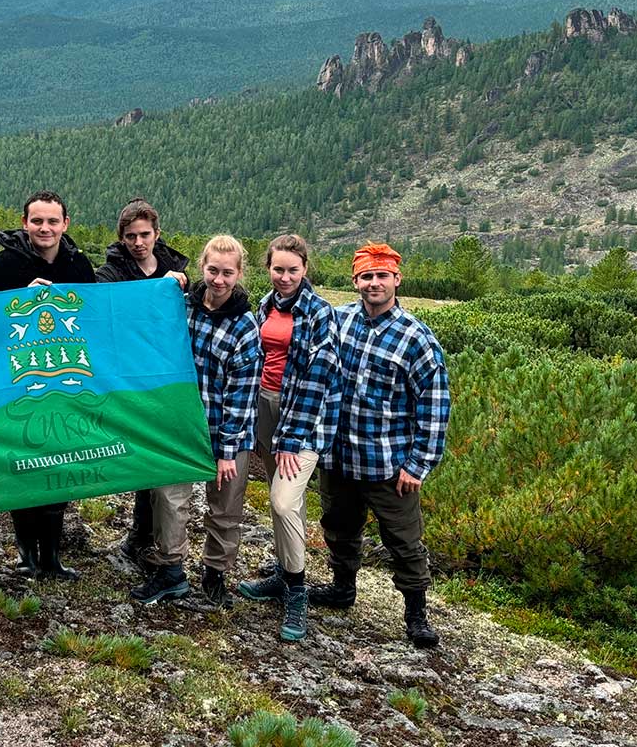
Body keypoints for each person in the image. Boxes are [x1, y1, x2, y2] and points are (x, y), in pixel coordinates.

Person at [308, 242, 450, 648]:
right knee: (338, 528)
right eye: (366, 276)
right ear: (355, 281)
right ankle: (342, 589)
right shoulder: (339, 320)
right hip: (339, 455)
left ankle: (416, 615)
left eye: (381, 276)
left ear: (396, 279)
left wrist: (418, 464)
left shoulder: (416, 338)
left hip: (389, 463)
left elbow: (435, 406)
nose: (374, 283)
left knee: (404, 541)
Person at [131, 235, 261, 607]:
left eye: (227, 273)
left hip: (227, 430)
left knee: (225, 505)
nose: (219, 280)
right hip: (181, 424)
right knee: (169, 498)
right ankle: (171, 569)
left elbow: (241, 394)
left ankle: (216, 573)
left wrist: (227, 451)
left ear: (239, 274)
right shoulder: (182, 307)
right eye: (213, 270)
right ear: (202, 268)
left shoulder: (245, 327)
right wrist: (165, 286)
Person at [0, 190, 96, 579]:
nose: (45, 228)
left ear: (65, 224)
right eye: (37, 221)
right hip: (17, 383)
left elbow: (96, 313)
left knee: (59, 466)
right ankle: (27, 556)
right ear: (25, 223)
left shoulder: (79, 266)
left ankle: (53, 557)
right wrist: (15, 302)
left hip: (66, 383)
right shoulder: (6, 264)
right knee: (24, 465)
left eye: (52, 221)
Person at [236, 235, 341, 642]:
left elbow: (319, 377)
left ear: (305, 270)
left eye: (292, 270)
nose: (284, 277)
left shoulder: (319, 313)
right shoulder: (263, 306)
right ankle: (283, 573)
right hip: (263, 406)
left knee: (282, 501)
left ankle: (296, 589)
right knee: (284, 501)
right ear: (268, 268)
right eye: (278, 269)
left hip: (304, 418)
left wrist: (292, 438)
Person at [95, 197, 189, 570]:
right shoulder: (109, 273)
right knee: (142, 460)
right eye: (131, 236)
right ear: (121, 237)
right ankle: (139, 535)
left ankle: (148, 538)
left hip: (167, 378)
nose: (138, 242)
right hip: (128, 378)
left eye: (145, 234)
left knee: (159, 460)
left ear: (157, 233)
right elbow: (109, 311)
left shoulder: (176, 271)